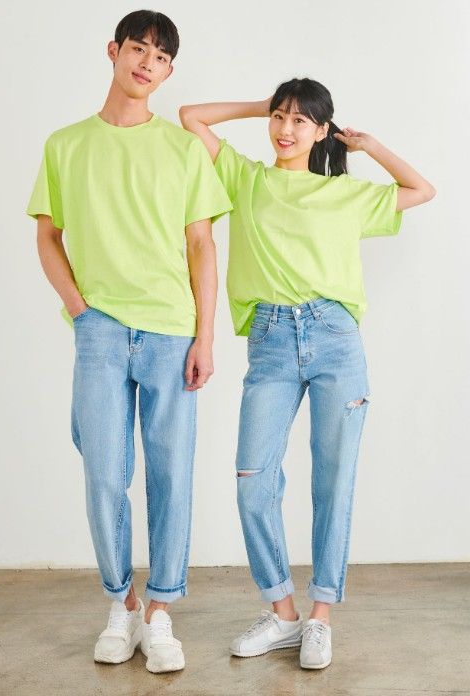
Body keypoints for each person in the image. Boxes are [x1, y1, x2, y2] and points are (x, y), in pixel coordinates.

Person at [180, 77, 435, 669]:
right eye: (280, 117)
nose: (285, 129)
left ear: (322, 131)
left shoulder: (345, 194)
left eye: (299, 120)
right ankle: (282, 614)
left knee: (333, 480)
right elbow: (191, 116)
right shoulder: (247, 178)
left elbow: (422, 189)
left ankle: (320, 617)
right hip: (270, 342)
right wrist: (261, 106)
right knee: (253, 478)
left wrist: (369, 146)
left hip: (335, 340)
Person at [26, 10, 231, 674]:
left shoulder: (182, 149)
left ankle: (161, 613)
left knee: (170, 474)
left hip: (171, 329)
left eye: (161, 57)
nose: (148, 63)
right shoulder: (65, 144)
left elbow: (202, 246)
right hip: (101, 331)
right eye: (139, 48)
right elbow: (47, 235)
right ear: (113, 50)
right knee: (104, 473)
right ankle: (123, 603)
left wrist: (205, 336)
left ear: (169, 71)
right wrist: (81, 312)